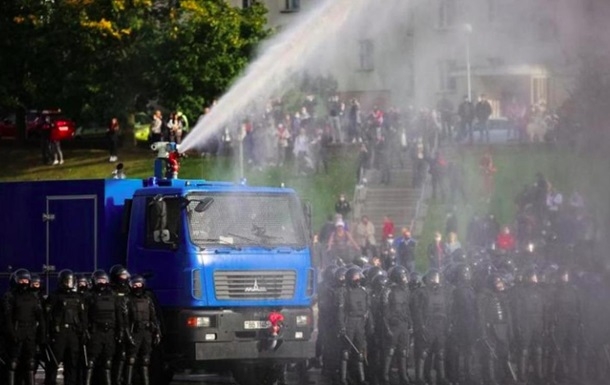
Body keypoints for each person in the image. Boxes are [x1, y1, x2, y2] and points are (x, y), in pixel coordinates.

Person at [2, 269, 46, 385]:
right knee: (12, 363)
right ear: (16, 281)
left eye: (26, 280)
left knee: (31, 364)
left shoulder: (33, 297)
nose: (24, 283)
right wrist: (12, 334)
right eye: (21, 280)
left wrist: (42, 336)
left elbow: (40, 317)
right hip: (16, 333)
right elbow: (7, 318)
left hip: (30, 334)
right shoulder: (10, 296)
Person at [44, 269, 87, 385]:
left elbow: (83, 316)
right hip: (59, 333)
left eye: (71, 281)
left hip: (74, 334)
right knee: (54, 362)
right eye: (67, 281)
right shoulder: (54, 296)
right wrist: (47, 333)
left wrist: (83, 331)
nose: (70, 283)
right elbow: (47, 317)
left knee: (72, 362)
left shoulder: (78, 297)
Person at [411, 270, 450, 385]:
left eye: (436, 277)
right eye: (432, 278)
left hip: (440, 325)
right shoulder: (421, 292)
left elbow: (446, 309)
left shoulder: (442, 292)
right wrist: (421, 326)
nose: (435, 280)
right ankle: (419, 378)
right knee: (423, 353)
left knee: (440, 353)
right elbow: (417, 311)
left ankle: (441, 378)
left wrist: (447, 325)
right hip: (427, 325)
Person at [85, 270, 123, 385]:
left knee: (108, 362)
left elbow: (119, 315)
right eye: (99, 280)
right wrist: (86, 330)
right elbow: (85, 316)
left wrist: (120, 330)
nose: (102, 282)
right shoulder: (90, 296)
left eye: (104, 280)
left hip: (110, 333)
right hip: (96, 332)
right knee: (91, 362)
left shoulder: (113, 296)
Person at [476, 274, 514, 385]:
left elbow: (508, 315)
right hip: (491, 329)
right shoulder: (484, 296)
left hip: (503, 329)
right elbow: (481, 315)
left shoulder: (502, 296)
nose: (501, 284)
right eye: (498, 282)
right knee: (490, 356)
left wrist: (509, 330)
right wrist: (483, 332)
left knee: (504, 354)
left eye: (501, 281)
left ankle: (504, 377)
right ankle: (490, 379)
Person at [336, 267, 371, 385]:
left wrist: (368, 325)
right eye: (355, 276)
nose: (358, 278)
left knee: (360, 352)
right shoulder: (344, 292)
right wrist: (341, 326)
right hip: (349, 322)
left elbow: (368, 309)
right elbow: (340, 311)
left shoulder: (363, 291)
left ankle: (361, 379)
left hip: (360, 323)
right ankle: (343, 378)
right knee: (346, 352)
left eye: (358, 276)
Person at [125, 275, 161, 385]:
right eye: (134, 285)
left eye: (139, 284)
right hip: (134, 332)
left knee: (145, 361)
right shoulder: (127, 300)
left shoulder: (148, 299)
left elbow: (154, 317)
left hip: (147, 332)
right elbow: (125, 320)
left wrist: (157, 332)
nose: (137, 287)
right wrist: (128, 335)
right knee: (131, 360)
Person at [382, 266, 412, 385]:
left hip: (403, 324)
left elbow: (407, 308)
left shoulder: (406, 291)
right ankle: (385, 376)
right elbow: (384, 312)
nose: (405, 278)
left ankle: (403, 376)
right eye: (403, 276)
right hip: (393, 325)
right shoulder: (388, 291)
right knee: (390, 351)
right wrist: (387, 328)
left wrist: (410, 323)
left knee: (403, 351)